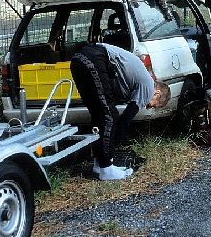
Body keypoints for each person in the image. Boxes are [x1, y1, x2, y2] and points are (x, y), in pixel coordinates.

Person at [70, 43, 170, 180]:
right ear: (157, 94)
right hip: (95, 57)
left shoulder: (134, 81)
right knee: (110, 116)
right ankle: (107, 169)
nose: (148, 107)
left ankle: (99, 165)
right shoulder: (148, 86)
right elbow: (125, 121)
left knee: (99, 113)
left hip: (78, 59)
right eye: (154, 105)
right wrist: (111, 151)